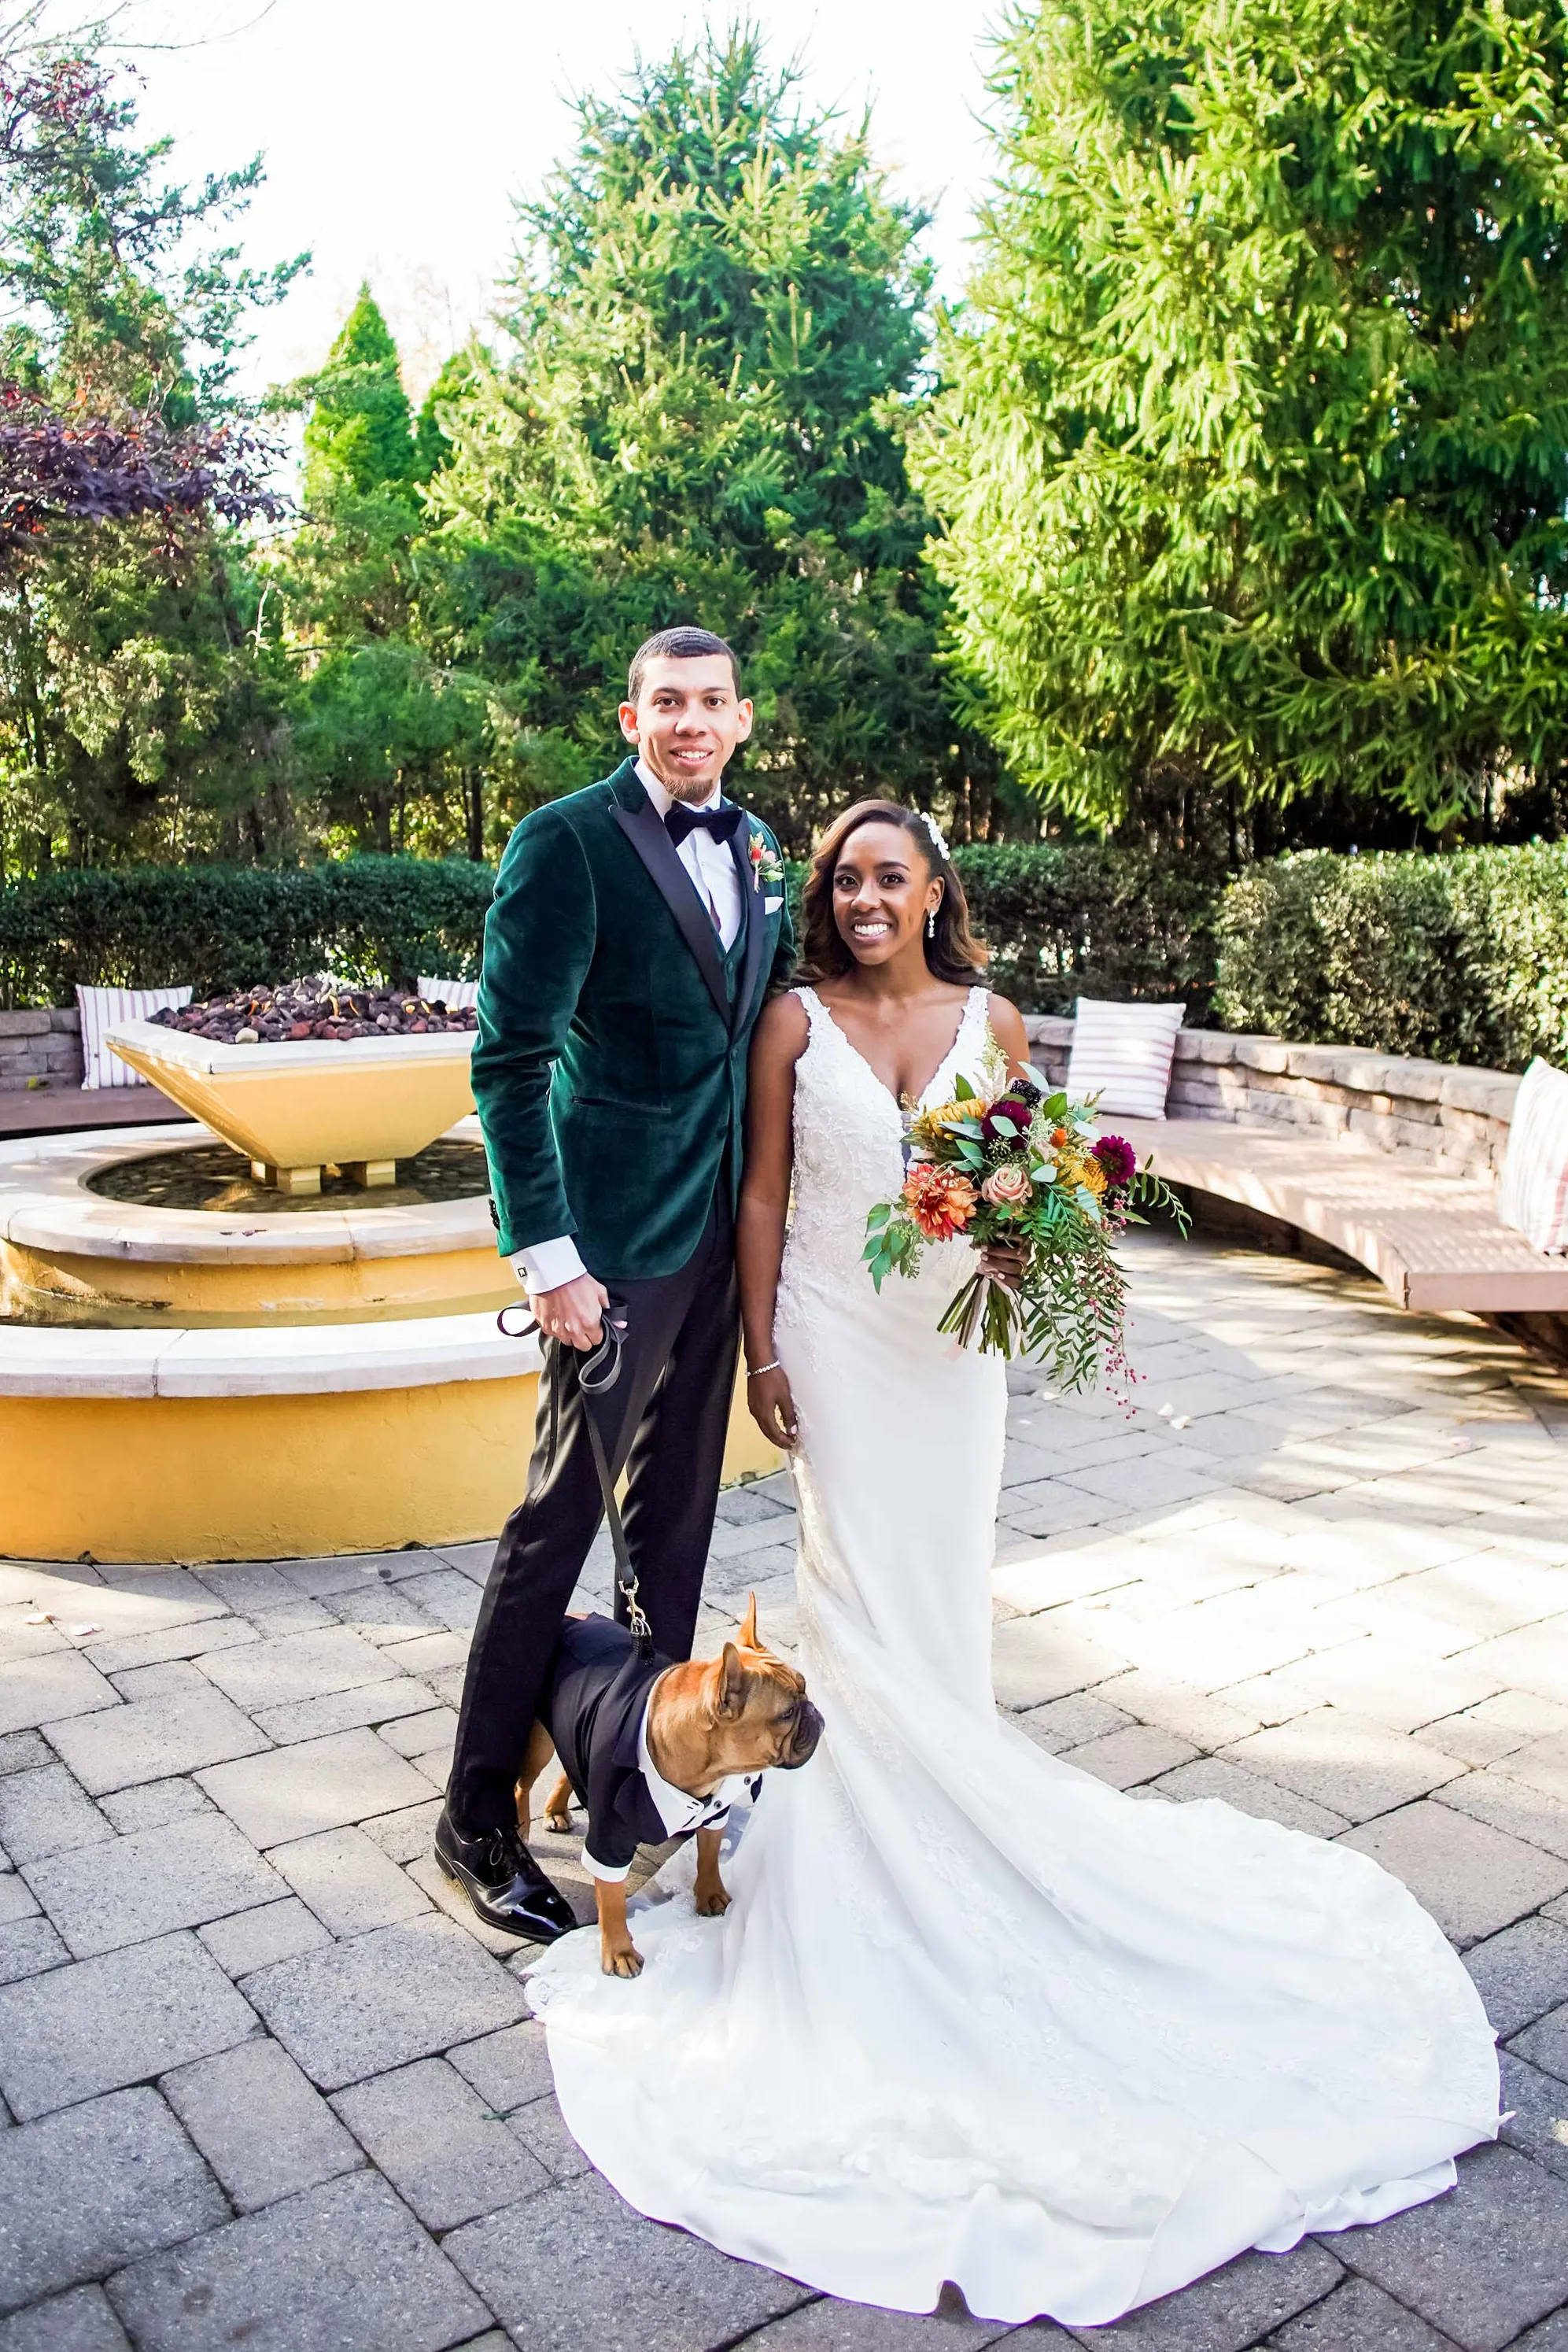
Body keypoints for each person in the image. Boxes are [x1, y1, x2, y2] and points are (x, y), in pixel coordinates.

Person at [522, 799, 1499, 2328]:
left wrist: (1037, 1248)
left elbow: (1038, 1184)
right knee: (849, 1595)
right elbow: (766, 1192)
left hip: (949, 1365)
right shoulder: (791, 1021)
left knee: (940, 1602)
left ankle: (955, 1804)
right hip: (841, 1346)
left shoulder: (999, 1016)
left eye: (887, 875)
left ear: (933, 891)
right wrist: (766, 1350)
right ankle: (861, 1837)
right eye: (844, 877)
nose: (862, 896)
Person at [437, 626, 794, 1940]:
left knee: (678, 1524)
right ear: (628, 714)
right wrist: (551, 1262)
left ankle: (633, 1767)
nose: (690, 722)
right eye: (667, 703)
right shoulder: (567, 841)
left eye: (711, 703)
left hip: (712, 1241)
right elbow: (508, 1062)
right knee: (555, 1524)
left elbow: (761, 1033)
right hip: (606, 1252)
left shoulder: (760, 850)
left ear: (741, 718)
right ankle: (472, 1816)